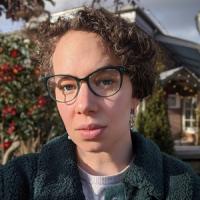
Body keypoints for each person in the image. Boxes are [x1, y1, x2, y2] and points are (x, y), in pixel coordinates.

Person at [0, 7, 200, 200]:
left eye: (105, 81)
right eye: (68, 86)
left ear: (136, 92)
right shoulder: (17, 182)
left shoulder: (182, 185)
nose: (84, 105)